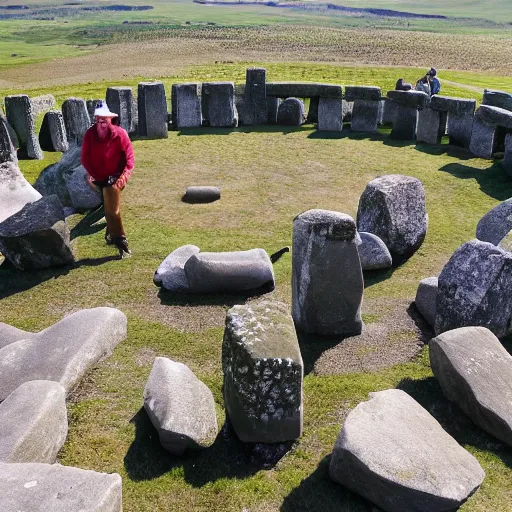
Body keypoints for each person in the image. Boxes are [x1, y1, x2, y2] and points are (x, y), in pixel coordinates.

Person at [81, 101, 135, 259]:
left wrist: (121, 178)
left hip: (117, 177)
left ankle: (121, 242)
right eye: (98, 120)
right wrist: (93, 175)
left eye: (104, 120)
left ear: (110, 120)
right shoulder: (90, 135)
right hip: (99, 178)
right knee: (109, 205)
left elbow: (129, 159)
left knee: (112, 210)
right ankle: (111, 234)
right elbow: (85, 158)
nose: (101, 124)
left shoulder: (120, 134)